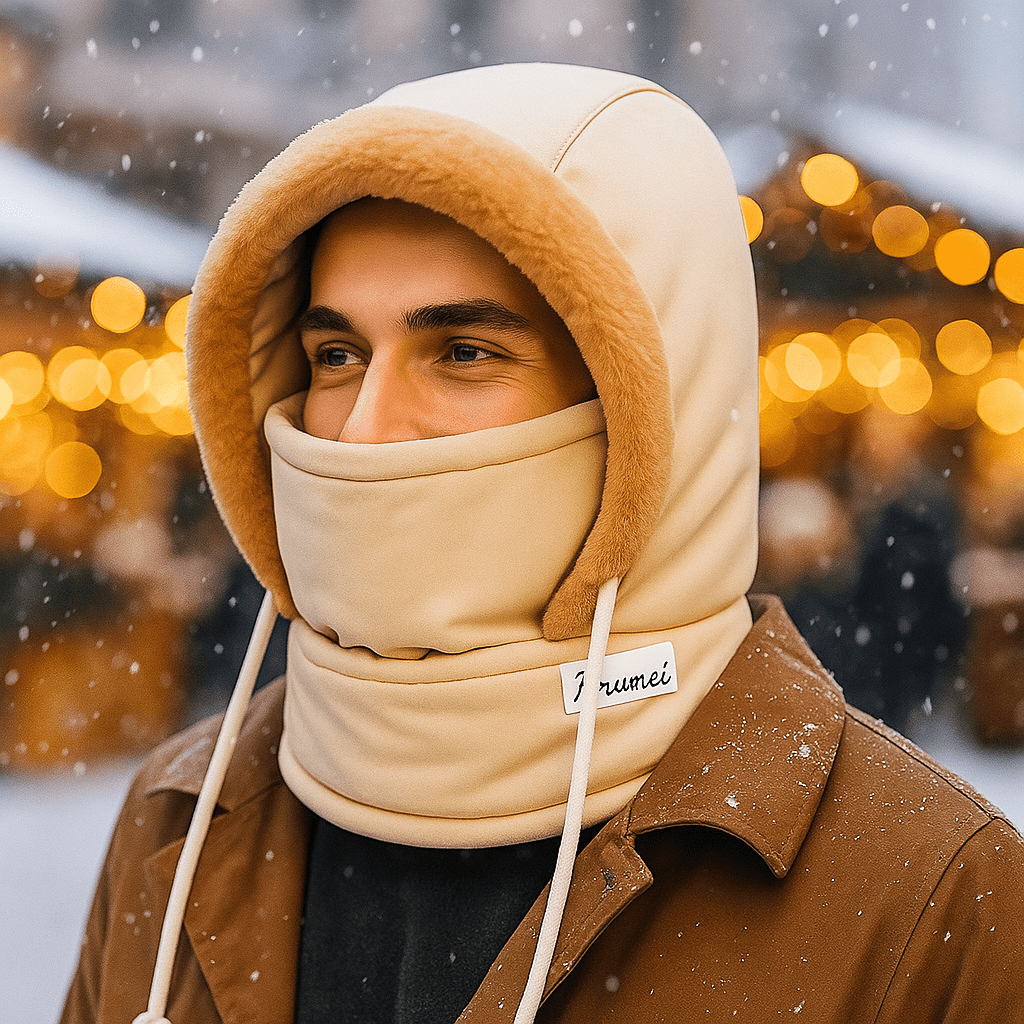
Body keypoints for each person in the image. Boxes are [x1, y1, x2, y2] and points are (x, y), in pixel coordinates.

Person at [62, 63, 1024, 1024]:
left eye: (464, 354)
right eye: (336, 356)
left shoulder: (929, 893)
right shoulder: (182, 819)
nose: (360, 430)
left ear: (653, 405)